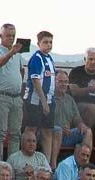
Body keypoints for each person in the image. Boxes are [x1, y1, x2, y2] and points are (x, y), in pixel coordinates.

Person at [0, 23, 26, 159]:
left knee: (16, 133)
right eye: (8, 36)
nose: (11, 38)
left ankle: (13, 162)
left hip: (16, 97)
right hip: (1, 96)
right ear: (1, 36)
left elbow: (21, 69)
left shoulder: (18, 54)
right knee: (1, 132)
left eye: (13, 36)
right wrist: (11, 52)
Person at [23, 31, 56, 163]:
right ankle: (25, 159)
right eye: (45, 42)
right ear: (38, 44)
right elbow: (36, 81)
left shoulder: (50, 58)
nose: (48, 45)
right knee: (31, 129)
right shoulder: (36, 58)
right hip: (35, 101)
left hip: (49, 100)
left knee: (47, 131)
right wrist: (43, 102)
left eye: (50, 42)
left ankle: (46, 163)